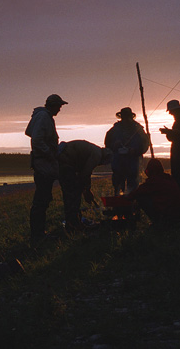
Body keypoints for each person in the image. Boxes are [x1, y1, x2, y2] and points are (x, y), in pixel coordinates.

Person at [24, 93, 67, 245]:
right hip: (43, 163)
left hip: (43, 162)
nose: (60, 109)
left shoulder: (43, 116)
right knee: (41, 199)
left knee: (43, 198)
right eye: (59, 106)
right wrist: (49, 153)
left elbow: (29, 132)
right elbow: (36, 139)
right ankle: (37, 235)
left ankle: (39, 233)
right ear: (53, 105)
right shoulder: (44, 117)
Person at [57, 140, 113, 233]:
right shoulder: (97, 155)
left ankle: (71, 223)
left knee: (69, 195)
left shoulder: (95, 150)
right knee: (73, 195)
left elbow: (83, 172)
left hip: (63, 161)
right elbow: (85, 174)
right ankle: (74, 224)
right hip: (66, 163)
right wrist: (86, 190)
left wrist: (86, 189)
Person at [125, 158, 180, 230]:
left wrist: (126, 198)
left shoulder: (155, 180)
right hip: (179, 215)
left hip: (168, 215)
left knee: (141, 198)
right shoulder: (168, 178)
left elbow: (139, 191)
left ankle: (159, 222)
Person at [104, 106, 150, 196]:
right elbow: (107, 144)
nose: (125, 119)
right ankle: (119, 205)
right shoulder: (113, 130)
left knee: (133, 186)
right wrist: (114, 145)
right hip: (118, 163)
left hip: (133, 162)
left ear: (131, 117)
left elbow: (145, 144)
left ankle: (131, 205)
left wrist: (135, 151)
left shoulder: (139, 130)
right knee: (117, 185)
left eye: (127, 117)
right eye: (124, 117)